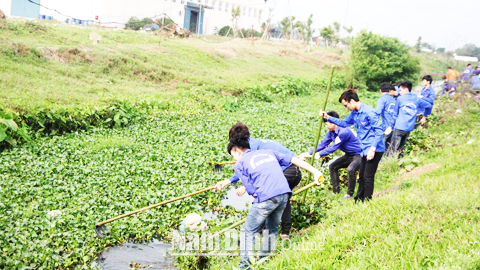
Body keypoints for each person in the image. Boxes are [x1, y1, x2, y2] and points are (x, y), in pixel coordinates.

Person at [216, 133, 323, 270]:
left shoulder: (239, 164)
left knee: (247, 231)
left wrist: (260, 196)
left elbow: (250, 189)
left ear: (237, 150)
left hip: (267, 197)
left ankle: (245, 267)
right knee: (271, 229)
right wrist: (315, 172)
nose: (234, 158)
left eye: (232, 155)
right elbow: (294, 159)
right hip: (284, 194)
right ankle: (264, 258)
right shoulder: (268, 152)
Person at [215, 123, 301, 240]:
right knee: (281, 196)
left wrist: (245, 187)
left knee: (272, 195)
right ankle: (281, 231)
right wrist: (228, 181)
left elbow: (254, 170)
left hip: (289, 169)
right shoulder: (253, 143)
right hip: (293, 169)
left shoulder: (251, 148)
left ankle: (267, 230)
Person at [319, 89, 385, 202]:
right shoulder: (354, 113)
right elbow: (344, 123)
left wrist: (372, 149)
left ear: (352, 101)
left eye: (346, 105)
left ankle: (367, 201)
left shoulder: (369, 112)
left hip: (374, 149)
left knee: (368, 177)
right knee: (363, 176)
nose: (346, 108)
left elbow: (379, 131)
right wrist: (328, 117)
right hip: (364, 149)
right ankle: (358, 199)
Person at [298, 111, 361, 200]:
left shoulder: (343, 131)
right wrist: (309, 153)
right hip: (349, 155)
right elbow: (322, 144)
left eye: (327, 124)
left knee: (351, 169)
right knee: (332, 166)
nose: (326, 126)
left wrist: (318, 154)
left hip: (360, 154)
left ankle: (349, 194)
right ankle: (335, 192)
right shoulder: (331, 132)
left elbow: (333, 147)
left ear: (333, 122)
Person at [390, 80, 432, 158]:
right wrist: (424, 117)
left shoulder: (400, 99)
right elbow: (429, 106)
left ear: (406, 90)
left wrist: (390, 126)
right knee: (401, 148)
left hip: (399, 127)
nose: (400, 92)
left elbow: (395, 114)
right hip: (409, 128)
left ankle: (391, 165)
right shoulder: (416, 99)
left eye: (401, 90)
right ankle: (399, 163)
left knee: (393, 148)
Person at [376, 83, 397, 155]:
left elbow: (377, 112)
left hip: (386, 127)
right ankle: (388, 162)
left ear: (380, 90)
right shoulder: (394, 99)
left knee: (380, 146)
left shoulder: (382, 99)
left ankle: (380, 163)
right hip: (394, 126)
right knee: (390, 146)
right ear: (389, 90)